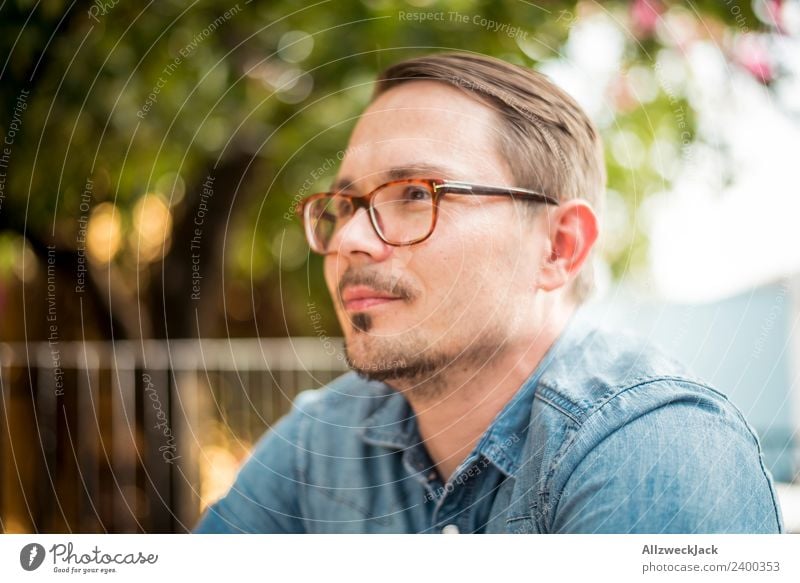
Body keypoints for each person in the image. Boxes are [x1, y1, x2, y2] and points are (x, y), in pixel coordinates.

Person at [194, 52, 783, 533]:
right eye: (344, 205)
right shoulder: (324, 437)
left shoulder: (659, 453)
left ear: (559, 248)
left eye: (415, 193)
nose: (347, 238)